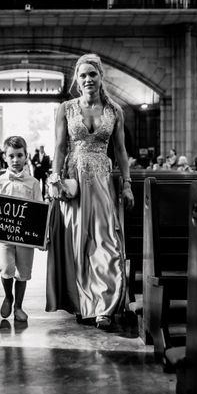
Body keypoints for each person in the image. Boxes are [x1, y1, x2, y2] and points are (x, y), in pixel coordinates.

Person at [46, 53, 134, 330]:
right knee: (79, 243)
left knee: (105, 241)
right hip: (74, 180)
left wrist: (128, 184)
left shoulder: (114, 110)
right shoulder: (66, 108)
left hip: (103, 181)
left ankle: (104, 307)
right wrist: (54, 178)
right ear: (77, 78)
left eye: (92, 74)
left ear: (100, 76)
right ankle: (83, 302)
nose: (87, 80)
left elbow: (120, 150)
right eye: (82, 75)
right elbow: (60, 147)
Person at [0, 136, 43, 323]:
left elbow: (39, 209)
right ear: (5, 158)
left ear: (26, 157)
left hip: (25, 237)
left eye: (19, 155)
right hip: (5, 235)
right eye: (11, 156)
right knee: (6, 268)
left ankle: (18, 307)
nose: (15, 160)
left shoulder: (33, 183)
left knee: (23, 271)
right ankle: (8, 296)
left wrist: (42, 233)